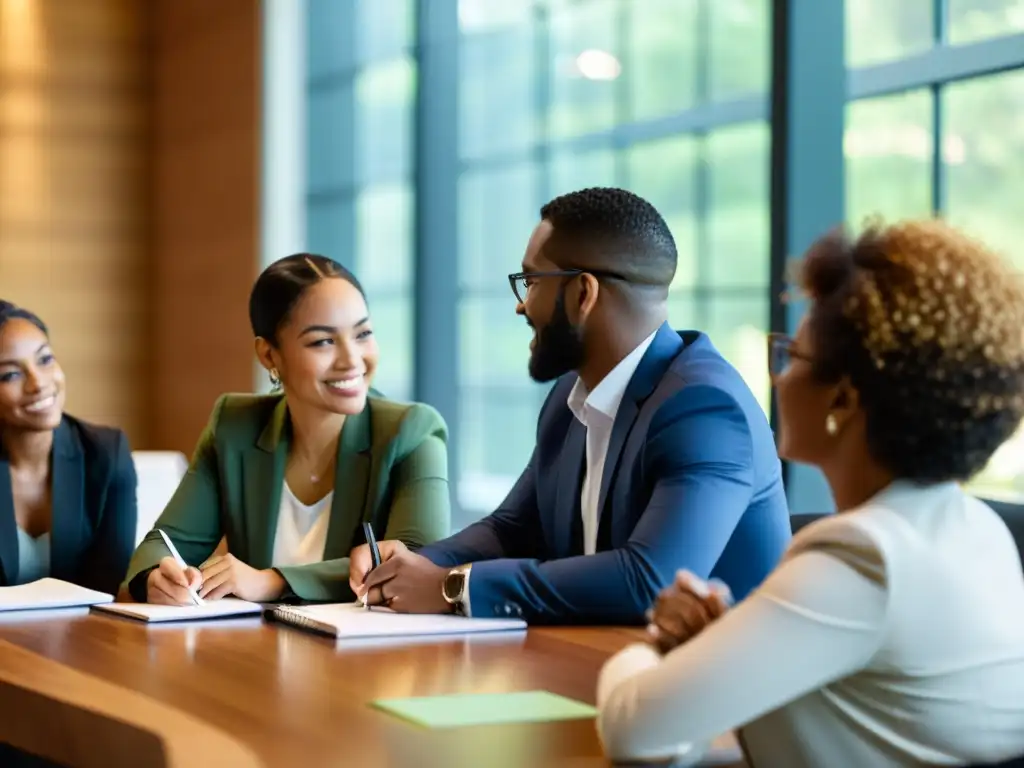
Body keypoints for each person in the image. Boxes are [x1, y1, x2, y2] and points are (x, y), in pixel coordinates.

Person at [596, 219, 1024, 767]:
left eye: (791, 356)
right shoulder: (979, 530)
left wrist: (650, 651)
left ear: (842, 399)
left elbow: (634, 731)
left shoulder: (861, 557)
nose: (779, 378)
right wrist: (720, 647)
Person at [350, 187, 791, 624]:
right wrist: (412, 563)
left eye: (531, 282)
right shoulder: (570, 396)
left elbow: (649, 580)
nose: (522, 306)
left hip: (712, 683)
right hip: (602, 663)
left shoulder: (704, 409)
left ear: (583, 293)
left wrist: (454, 587)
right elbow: (513, 529)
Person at [124, 254, 450, 605]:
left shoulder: (412, 431)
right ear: (268, 355)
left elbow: (418, 562)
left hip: (370, 657)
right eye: (323, 341)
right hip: (255, 653)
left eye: (363, 334)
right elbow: (164, 543)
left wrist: (274, 581)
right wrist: (159, 577)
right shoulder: (235, 426)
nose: (352, 359)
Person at [0, 301, 137, 594]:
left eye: (45, 359)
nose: (38, 383)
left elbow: (110, 585)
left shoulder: (106, 453)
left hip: (82, 634)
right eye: (10, 375)